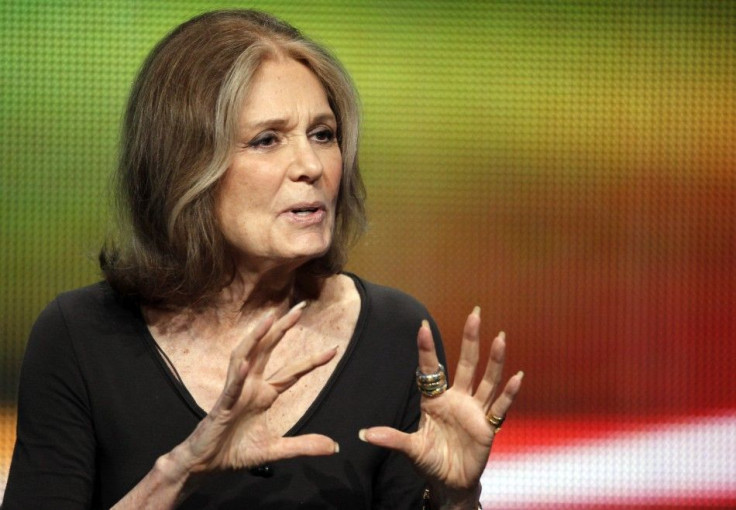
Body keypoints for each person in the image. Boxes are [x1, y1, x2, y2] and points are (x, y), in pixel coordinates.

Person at [3, 9, 523, 510]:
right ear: (185, 166)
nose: (311, 165)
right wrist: (180, 469)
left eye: (323, 135)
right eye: (267, 140)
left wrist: (456, 499)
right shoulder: (79, 336)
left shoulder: (398, 333)